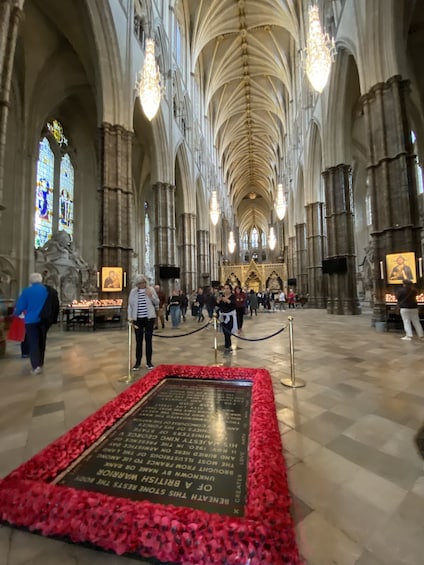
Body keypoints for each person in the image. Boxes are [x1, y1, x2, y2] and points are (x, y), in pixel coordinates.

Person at [14, 273, 49, 374]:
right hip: (43, 320)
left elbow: (20, 306)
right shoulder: (46, 291)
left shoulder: (27, 291)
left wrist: (16, 314)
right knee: (41, 342)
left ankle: (36, 366)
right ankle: (41, 362)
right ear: (41, 280)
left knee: (33, 343)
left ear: (30, 281)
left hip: (31, 320)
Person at [128, 274, 159, 370]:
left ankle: (149, 362)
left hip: (149, 319)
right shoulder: (133, 292)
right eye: (140, 283)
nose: (142, 284)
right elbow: (130, 305)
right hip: (138, 319)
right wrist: (130, 317)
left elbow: (157, 302)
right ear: (137, 284)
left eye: (144, 282)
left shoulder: (151, 290)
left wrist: (151, 296)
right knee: (138, 341)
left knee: (148, 341)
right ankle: (137, 362)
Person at [216, 283, 237, 354]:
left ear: (230, 290)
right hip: (223, 316)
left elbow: (234, 305)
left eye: (228, 288)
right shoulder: (222, 296)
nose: (226, 290)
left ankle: (228, 345)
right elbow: (219, 305)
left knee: (228, 331)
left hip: (230, 316)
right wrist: (218, 301)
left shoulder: (233, 296)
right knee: (225, 332)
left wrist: (228, 301)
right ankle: (227, 345)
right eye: (225, 288)